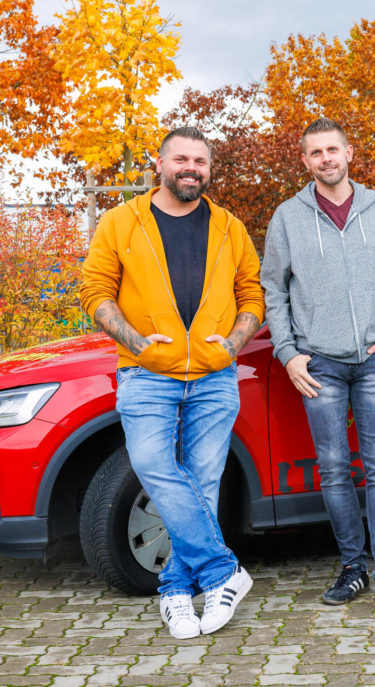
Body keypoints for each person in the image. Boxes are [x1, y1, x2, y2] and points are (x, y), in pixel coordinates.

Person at [79, 127, 265, 639]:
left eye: (200, 161)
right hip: (145, 374)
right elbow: (94, 290)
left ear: (208, 168)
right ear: (159, 164)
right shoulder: (121, 222)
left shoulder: (229, 227)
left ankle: (177, 593)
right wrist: (134, 341)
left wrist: (234, 341)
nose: (191, 168)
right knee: (153, 465)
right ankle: (224, 572)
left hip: (213, 375)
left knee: (202, 484)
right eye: (181, 159)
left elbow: (252, 292)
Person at [260, 117, 375, 617]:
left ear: (350, 153)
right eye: (316, 152)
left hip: (374, 360)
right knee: (332, 469)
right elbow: (274, 291)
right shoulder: (287, 216)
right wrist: (287, 352)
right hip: (319, 362)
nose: (326, 158)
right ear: (305, 161)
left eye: (333, 149)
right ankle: (353, 567)